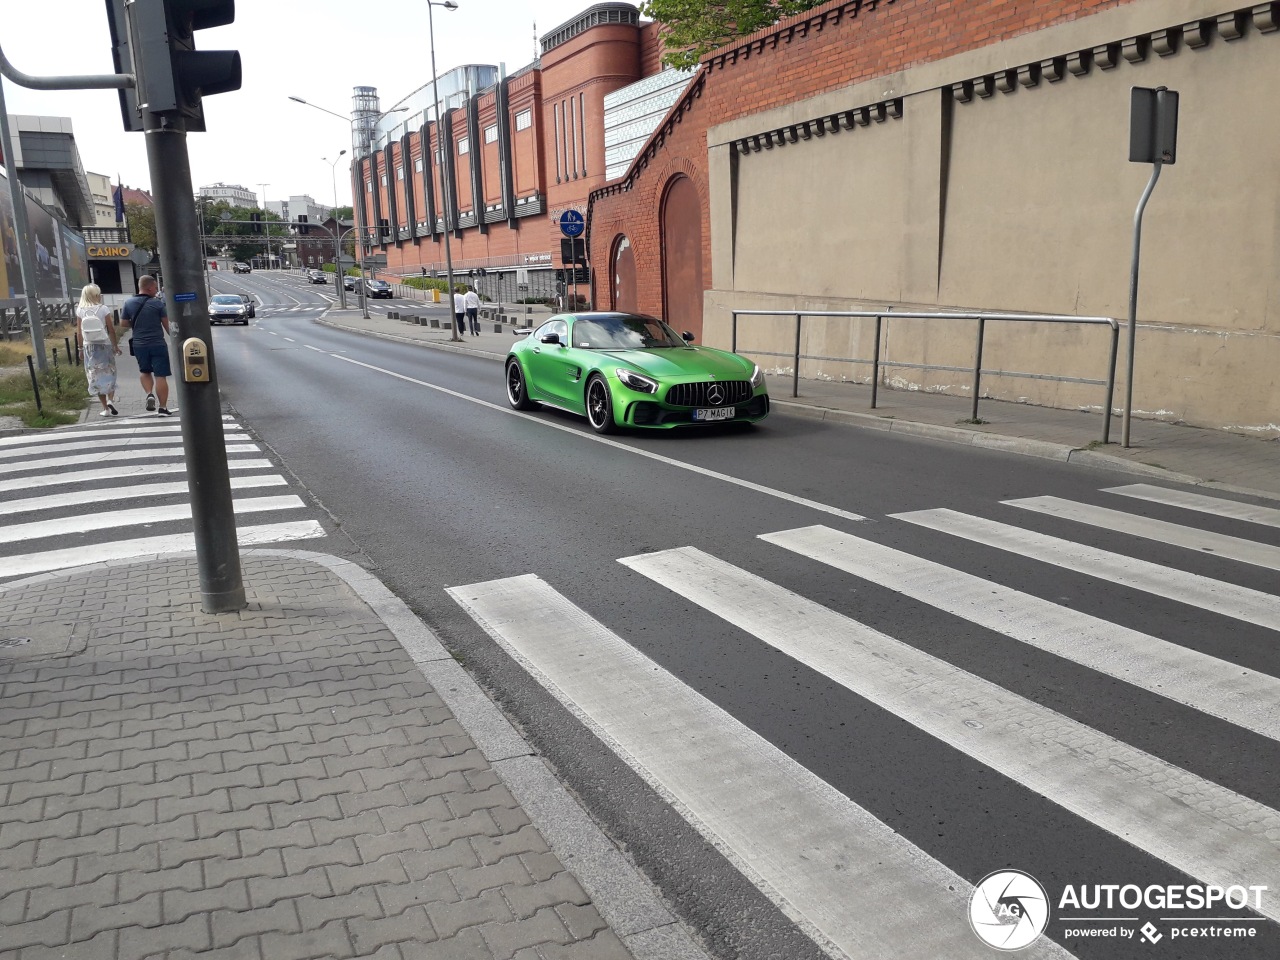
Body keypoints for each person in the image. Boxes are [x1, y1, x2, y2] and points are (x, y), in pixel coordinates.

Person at [120, 275, 176, 416]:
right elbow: (167, 326)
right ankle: (162, 408)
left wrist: (136, 322)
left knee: (144, 371)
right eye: (155, 288)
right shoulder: (157, 304)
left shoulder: (129, 303)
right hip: (157, 344)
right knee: (160, 376)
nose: (156, 290)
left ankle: (149, 393)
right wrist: (176, 341)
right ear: (149, 287)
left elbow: (123, 324)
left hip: (139, 345)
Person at [77, 284, 122, 417]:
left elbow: (79, 332)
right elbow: (111, 329)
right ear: (95, 295)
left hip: (89, 347)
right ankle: (111, 400)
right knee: (110, 372)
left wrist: (80, 348)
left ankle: (105, 409)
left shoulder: (80, 310)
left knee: (95, 376)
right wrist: (115, 346)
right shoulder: (103, 309)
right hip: (104, 345)